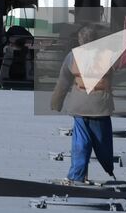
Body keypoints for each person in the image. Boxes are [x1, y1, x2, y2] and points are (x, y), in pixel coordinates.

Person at [49, 24, 116, 186]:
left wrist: (56, 102)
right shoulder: (109, 55)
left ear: (80, 41)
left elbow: (63, 81)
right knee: (102, 143)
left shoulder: (72, 56)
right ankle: (107, 168)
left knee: (81, 142)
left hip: (79, 105)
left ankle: (77, 175)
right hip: (100, 106)